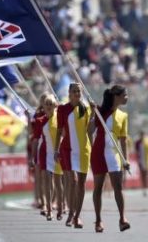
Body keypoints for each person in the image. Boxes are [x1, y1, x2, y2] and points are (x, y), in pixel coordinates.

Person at [91, 84, 131, 233]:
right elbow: (90, 129)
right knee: (98, 187)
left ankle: (122, 219)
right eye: (124, 95)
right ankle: (98, 220)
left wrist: (125, 160)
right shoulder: (100, 111)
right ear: (116, 96)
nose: (127, 98)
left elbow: (123, 139)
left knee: (118, 187)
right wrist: (92, 113)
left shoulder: (123, 116)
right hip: (98, 152)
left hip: (113, 154)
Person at [55, 83, 93, 228]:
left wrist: (94, 113)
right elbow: (59, 130)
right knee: (73, 181)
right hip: (67, 149)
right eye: (74, 91)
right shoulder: (62, 109)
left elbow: (90, 130)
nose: (77, 93)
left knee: (81, 184)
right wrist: (56, 149)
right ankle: (70, 213)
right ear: (69, 93)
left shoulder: (86, 108)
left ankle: (77, 216)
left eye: (79, 91)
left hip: (83, 150)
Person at [36, 94, 64, 221]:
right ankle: (48, 208)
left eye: (50, 104)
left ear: (55, 106)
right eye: (46, 104)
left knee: (58, 182)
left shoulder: (59, 118)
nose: (48, 106)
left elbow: (64, 134)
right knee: (47, 180)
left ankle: (60, 207)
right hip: (45, 153)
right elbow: (36, 138)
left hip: (58, 152)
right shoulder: (40, 120)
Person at [135, 129, 148, 197]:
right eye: (141, 135)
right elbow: (136, 152)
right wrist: (137, 159)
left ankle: (145, 188)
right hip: (141, 160)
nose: (142, 136)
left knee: (146, 174)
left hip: (147, 160)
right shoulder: (138, 142)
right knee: (142, 175)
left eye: (143, 134)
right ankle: (143, 188)